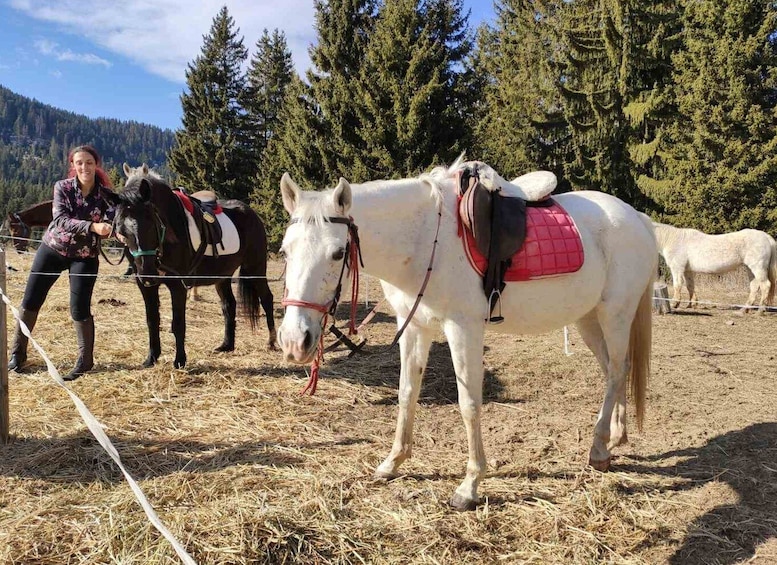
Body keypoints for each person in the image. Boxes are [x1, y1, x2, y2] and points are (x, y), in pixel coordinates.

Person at [8, 145, 116, 380]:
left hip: (85, 257)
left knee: (80, 308)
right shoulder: (63, 187)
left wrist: (112, 229)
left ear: (96, 164)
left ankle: (85, 361)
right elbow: (60, 220)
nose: (84, 167)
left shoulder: (106, 195)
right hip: (53, 250)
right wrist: (93, 226)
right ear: (73, 166)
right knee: (31, 300)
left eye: (89, 162)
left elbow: (112, 220)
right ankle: (18, 354)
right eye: (79, 163)